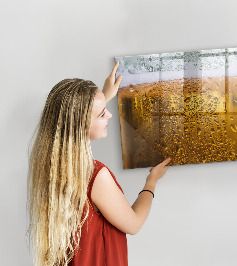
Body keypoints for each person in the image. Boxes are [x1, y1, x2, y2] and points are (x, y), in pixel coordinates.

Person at [27, 62, 171, 266]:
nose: (110, 115)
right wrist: (151, 181)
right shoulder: (95, 176)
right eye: (102, 113)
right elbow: (134, 224)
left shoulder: (50, 164)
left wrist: (104, 95)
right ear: (81, 124)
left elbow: (77, 117)